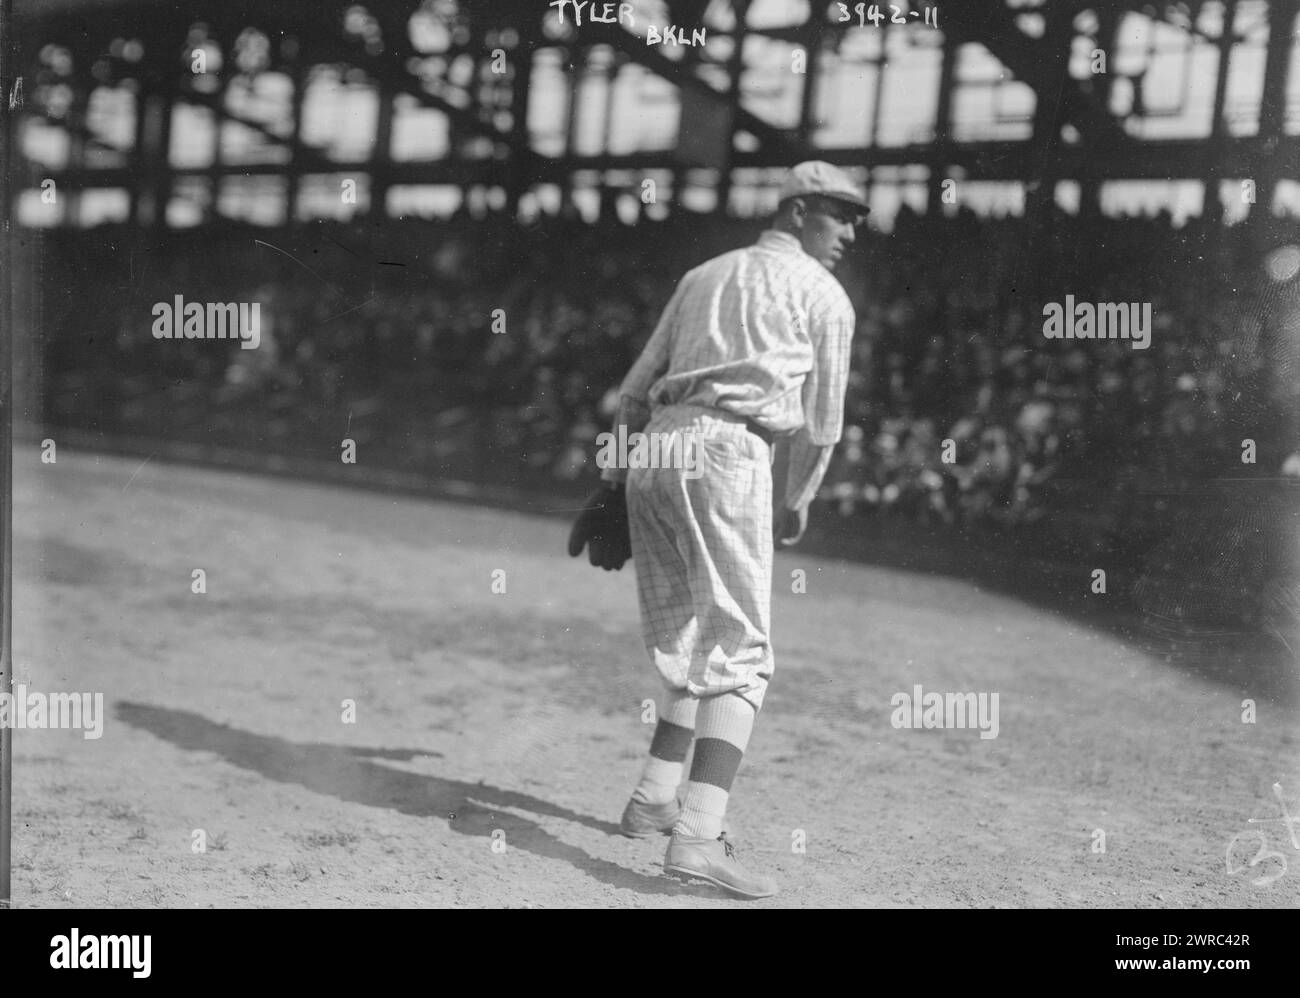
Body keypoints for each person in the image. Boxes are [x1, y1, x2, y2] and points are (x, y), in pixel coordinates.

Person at [568, 161, 866, 899]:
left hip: (660, 447)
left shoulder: (703, 274)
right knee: (743, 651)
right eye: (839, 214)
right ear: (797, 212)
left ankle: (652, 797)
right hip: (733, 450)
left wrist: (613, 482)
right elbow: (822, 427)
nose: (851, 232)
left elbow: (633, 391)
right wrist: (797, 499)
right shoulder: (826, 296)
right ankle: (699, 838)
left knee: (689, 634)